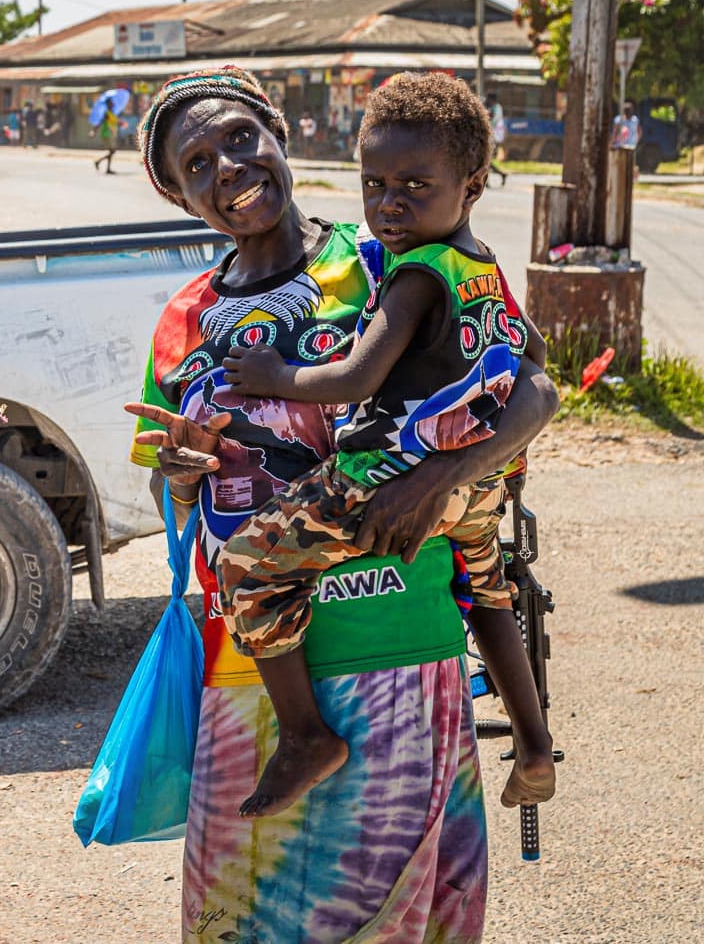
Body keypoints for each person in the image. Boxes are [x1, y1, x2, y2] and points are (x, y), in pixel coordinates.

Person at [126, 65, 558, 942]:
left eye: (241, 138)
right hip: (251, 674)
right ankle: (304, 735)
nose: (229, 168)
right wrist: (180, 469)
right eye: (197, 162)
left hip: (399, 642)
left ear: (281, 134)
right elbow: (171, 496)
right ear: (178, 193)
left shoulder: (389, 256)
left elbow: (536, 388)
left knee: (395, 921)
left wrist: (438, 479)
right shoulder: (184, 319)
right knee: (253, 919)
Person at [218, 72, 555, 818]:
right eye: (374, 184)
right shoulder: (484, 268)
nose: (389, 204)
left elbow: (353, 377)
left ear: (471, 186)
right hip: (475, 484)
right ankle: (533, 743)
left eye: (413, 185)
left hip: (380, 475)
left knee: (243, 567)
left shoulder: (414, 275)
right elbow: (531, 359)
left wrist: (275, 371)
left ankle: (305, 734)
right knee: (489, 593)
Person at [485, 92, 509, 187]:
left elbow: (491, 119)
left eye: (488, 99)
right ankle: (500, 175)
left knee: (487, 161)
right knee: (487, 161)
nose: (487, 101)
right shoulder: (493, 108)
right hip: (490, 137)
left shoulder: (496, 108)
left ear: (492, 100)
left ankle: (489, 180)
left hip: (493, 138)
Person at [90, 96, 118, 174]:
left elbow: (114, 123)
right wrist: (93, 131)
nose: (112, 104)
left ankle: (107, 168)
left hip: (112, 134)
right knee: (112, 151)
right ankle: (98, 161)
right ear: (108, 104)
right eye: (111, 103)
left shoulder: (112, 113)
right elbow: (99, 122)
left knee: (111, 151)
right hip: (107, 134)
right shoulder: (106, 114)